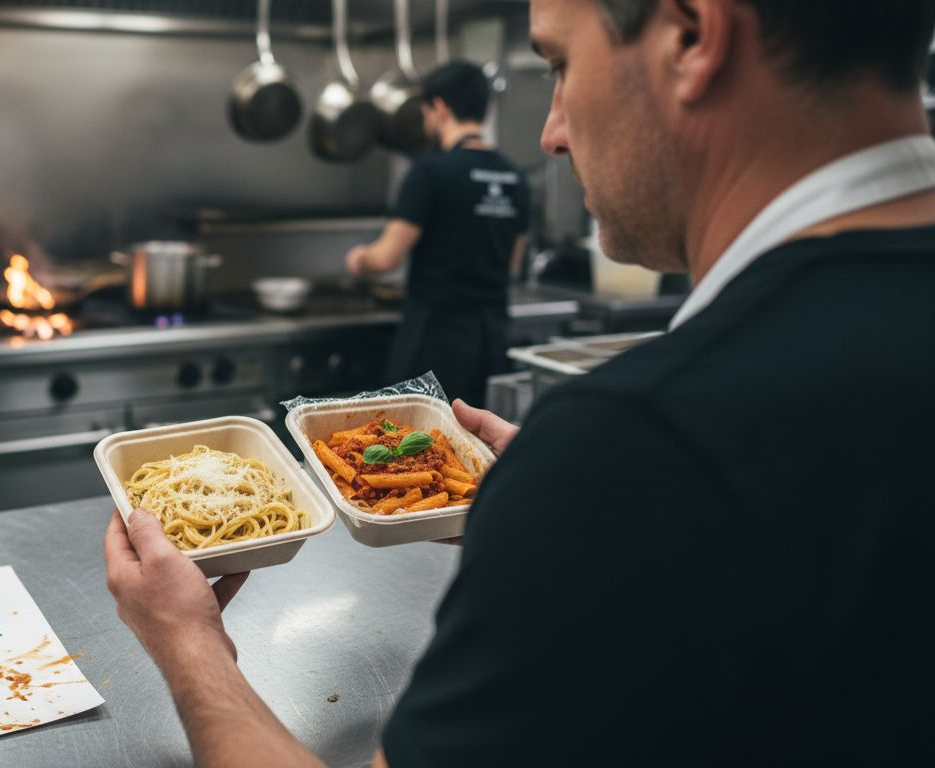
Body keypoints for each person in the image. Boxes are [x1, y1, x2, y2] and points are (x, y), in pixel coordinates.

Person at [105, 0, 935, 765]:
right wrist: (584, 524)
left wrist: (189, 643)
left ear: (689, 35)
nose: (551, 134)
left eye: (560, 66)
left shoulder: (643, 440)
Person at [345, 60, 531, 408]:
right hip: (491, 341)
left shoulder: (431, 172)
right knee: (475, 446)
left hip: (436, 341)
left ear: (440, 108)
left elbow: (386, 258)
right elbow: (512, 266)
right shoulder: (515, 177)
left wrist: (359, 259)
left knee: (413, 446)